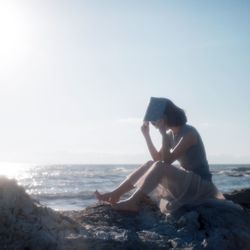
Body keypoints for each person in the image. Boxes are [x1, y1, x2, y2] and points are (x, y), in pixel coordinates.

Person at [95, 97, 225, 213]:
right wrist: (147, 136)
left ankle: (133, 202)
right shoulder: (171, 135)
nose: (156, 126)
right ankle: (116, 194)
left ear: (165, 118)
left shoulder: (189, 133)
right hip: (186, 181)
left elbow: (166, 162)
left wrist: (163, 134)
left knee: (159, 166)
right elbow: (157, 159)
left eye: (157, 122)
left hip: (200, 184)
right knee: (149, 164)